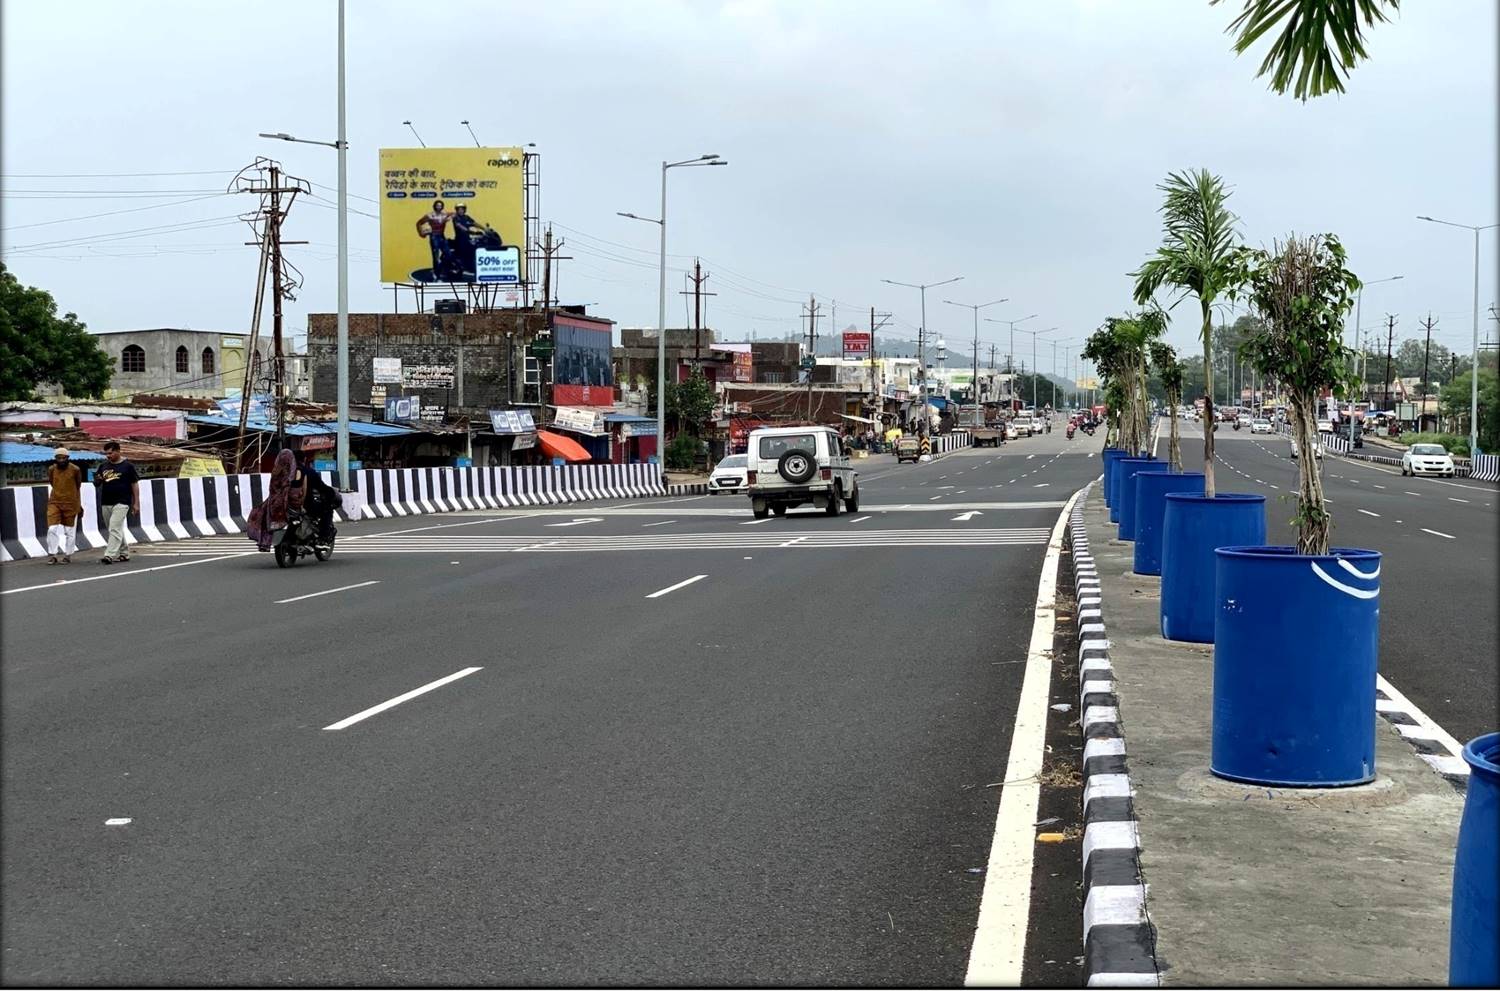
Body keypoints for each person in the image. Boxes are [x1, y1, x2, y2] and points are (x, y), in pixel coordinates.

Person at [246, 449, 303, 552]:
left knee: (262, 515)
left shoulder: (275, 473)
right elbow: (295, 491)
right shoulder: (293, 473)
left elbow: (272, 489)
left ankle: (264, 543)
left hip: (273, 503)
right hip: (287, 504)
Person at [94, 441, 139, 564]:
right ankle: (124, 553)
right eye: (106, 454)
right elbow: (97, 483)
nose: (108, 456)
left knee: (114, 527)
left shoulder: (128, 466)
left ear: (118, 451)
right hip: (106, 501)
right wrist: (98, 480)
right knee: (114, 528)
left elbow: (134, 484)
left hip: (123, 501)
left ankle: (109, 555)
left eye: (111, 453)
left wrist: (136, 503)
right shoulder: (103, 466)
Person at [45, 447, 83, 564]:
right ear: (55, 459)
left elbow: (78, 486)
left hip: (71, 503)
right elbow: (52, 482)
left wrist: (78, 504)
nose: (61, 460)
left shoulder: (75, 469)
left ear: (68, 458)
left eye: (63, 458)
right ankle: (53, 554)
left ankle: (68, 555)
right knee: (52, 529)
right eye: (58, 458)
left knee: (69, 531)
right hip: (55, 502)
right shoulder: (52, 469)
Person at [415, 200, 456, 280]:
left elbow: (454, 213)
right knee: (436, 256)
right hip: (434, 236)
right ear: (434, 206)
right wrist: (421, 233)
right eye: (437, 205)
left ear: (442, 206)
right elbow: (419, 223)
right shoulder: (430, 215)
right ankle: (436, 274)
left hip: (442, 236)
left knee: (448, 254)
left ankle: (441, 270)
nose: (439, 207)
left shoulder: (444, 214)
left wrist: (448, 219)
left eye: (440, 205)